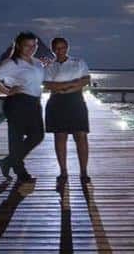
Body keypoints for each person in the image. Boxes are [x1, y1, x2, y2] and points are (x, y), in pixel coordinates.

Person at [0, 31, 46, 182]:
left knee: (37, 136)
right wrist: (7, 91)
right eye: (27, 45)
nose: (31, 48)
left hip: (34, 102)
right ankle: (21, 173)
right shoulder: (12, 63)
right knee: (16, 139)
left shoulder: (37, 62)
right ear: (19, 46)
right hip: (18, 103)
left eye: (34, 45)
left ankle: (8, 162)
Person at [43, 37, 91, 184]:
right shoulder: (49, 66)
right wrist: (72, 84)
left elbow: (85, 80)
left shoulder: (78, 62)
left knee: (81, 136)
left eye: (63, 47)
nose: (60, 51)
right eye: (57, 48)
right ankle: (63, 171)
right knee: (60, 137)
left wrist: (64, 87)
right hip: (57, 103)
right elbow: (48, 85)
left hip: (76, 102)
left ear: (67, 48)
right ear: (53, 50)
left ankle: (84, 172)